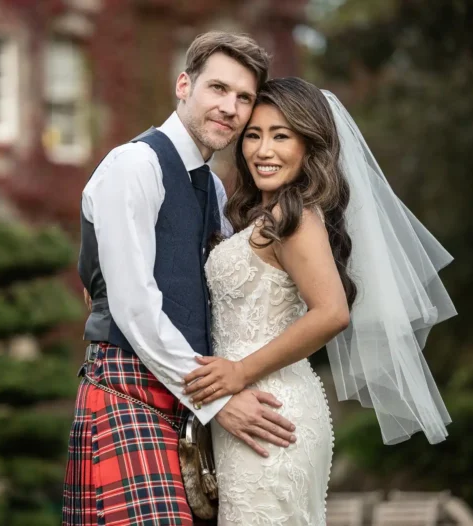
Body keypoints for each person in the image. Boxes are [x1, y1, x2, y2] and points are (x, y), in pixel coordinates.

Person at [183, 77, 456, 525]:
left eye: (281, 136)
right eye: (253, 135)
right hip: (249, 411)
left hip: (268, 410)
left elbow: (332, 312)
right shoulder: (261, 215)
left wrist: (238, 373)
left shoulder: (296, 216)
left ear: (309, 146)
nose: (263, 150)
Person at [62, 32, 299, 526]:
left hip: (185, 406)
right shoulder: (134, 165)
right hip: (128, 391)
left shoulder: (211, 187)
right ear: (184, 85)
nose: (230, 108)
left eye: (244, 98)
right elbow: (134, 307)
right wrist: (219, 402)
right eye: (218, 89)